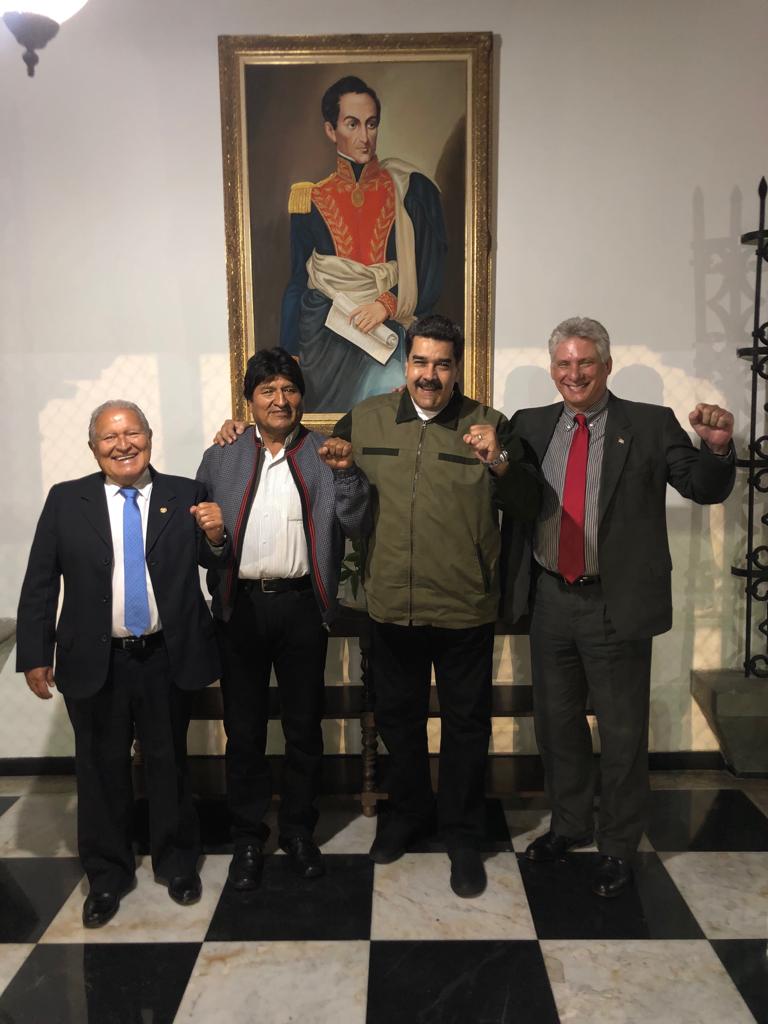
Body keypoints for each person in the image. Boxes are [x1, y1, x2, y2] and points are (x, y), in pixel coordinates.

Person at [511, 317, 735, 897]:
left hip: (615, 602)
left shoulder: (650, 424)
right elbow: (507, 493)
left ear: (606, 366)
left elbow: (703, 487)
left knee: (621, 731)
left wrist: (716, 449)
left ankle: (616, 844)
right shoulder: (530, 426)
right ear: (552, 369)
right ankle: (569, 825)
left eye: (585, 362)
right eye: (564, 363)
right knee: (557, 725)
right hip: (550, 598)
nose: (574, 373)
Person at [16, 401, 225, 927]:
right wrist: (36, 654)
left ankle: (177, 864)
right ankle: (107, 875)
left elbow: (215, 561)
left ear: (149, 437)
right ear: (93, 447)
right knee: (99, 769)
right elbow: (40, 580)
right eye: (109, 437)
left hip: (164, 656)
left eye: (132, 432)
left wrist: (218, 535)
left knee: (169, 763)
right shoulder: (66, 500)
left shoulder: (186, 493)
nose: (123, 444)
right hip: (96, 658)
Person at [198, 348, 371, 888]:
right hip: (240, 608)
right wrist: (214, 539)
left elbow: (358, 523)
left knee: (303, 728)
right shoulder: (220, 457)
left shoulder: (326, 452)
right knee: (244, 731)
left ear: (302, 397)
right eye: (267, 390)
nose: (280, 399)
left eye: (289, 389)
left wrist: (347, 475)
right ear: (249, 400)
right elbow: (200, 544)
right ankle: (248, 837)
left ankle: (298, 831)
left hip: (301, 609)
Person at [280, 75, 447, 411]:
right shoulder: (308, 199)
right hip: (322, 336)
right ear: (331, 130)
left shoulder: (412, 190)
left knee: (385, 411)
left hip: (385, 330)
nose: (364, 137)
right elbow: (298, 281)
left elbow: (430, 273)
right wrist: (289, 355)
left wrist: (386, 304)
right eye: (352, 124)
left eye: (371, 124)